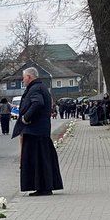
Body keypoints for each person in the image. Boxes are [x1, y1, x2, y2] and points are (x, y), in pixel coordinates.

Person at [12, 66, 63, 196]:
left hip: (35, 131)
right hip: (40, 131)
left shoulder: (35, 89)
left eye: (24, 78)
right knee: (42, 159)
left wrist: (26, 118)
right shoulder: (40, 87)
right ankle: (43, 186)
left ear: (29, 77)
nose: (23, 81)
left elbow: (38, 103)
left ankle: (43, 187)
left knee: (37, 159)